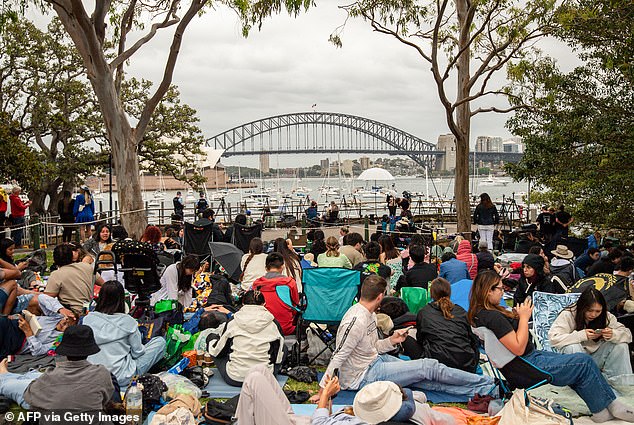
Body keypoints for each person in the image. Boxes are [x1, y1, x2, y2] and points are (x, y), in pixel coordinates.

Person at [469, 270, 634, 422]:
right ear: (488, 291)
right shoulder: (492, 317)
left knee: (576, 364)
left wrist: (517, 316)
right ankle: (611, 406)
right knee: (583, 362)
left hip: (522, 362)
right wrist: (524, 318)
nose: (503, 290)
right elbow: (518, 347)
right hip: (526, 365)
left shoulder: (481, 314)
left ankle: (602, 410)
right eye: (499, 288)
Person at [311, 275, 495, 402]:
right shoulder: (354, 321)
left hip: (374, 361)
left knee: (425, 380)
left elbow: (373, 346)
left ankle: (484, 390)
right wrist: (323, 391)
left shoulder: (370, 314)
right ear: (381, 296)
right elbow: (339, 355)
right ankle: (487, 385)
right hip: (362, 376)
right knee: (429, 366)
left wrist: (392, 340)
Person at [0, 325, 115, 413]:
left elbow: (30, 397)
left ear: (65, 352)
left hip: (48, 404)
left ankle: (4, 375)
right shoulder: (102, 373)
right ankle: (7, 375)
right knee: (31, 377)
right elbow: (105, 397)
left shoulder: (50, 377)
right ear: (89, 351)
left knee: (7, 384)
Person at [83, 280, 166, 387]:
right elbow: (138, 353)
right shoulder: (128, 322)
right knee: (160, 342)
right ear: (122, 299)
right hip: (122, 377)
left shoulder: (88, 319)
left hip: (94, 376)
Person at [549, 287, 632, 379]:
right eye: (589, 310)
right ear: (582, 307)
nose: (593, 315)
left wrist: (613, 334)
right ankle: (580, 382)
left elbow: (627, 335)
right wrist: (581, 335)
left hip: (598, 358)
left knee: (620, 345)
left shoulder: (606, 316)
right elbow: (554, 338)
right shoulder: (568, 314)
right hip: (575, 361)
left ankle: (621, 386)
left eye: (598, 311)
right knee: (572, 346)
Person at [208, 290, 285, 387]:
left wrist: (212, 340)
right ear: (264, 304)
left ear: (243, 303)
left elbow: (217, 351)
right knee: (284, 348)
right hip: (264, 378)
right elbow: (278, 356)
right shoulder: (273, 323)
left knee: (213, 341)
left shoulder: (233, 321)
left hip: (235, 377)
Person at [414, 278, 479, 373]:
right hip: (466, 363)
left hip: (438, 364)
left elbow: (420, 339)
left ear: (432, 294)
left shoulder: (424, 312)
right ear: (449, 292)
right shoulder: (461, 311)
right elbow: (473, 339)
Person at [0, 294, 75, 358]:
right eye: (66, 319)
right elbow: (41, 297)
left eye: (68, 326)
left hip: (18, 341)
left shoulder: (59, 341)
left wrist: (28, 332)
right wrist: (60, 309)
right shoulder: (56, 318)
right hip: (14, 325)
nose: (64, 323)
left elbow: (38, 351)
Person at [44, 243, 105, 316]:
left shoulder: (56, 274)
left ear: (54, 259)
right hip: (89, 309)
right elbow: (103, 283)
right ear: (72, 256)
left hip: (72, 313)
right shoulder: (86, 267)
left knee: (38, 299)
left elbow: (47, 298)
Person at [253, 252, 299, 335]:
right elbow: (295, 306)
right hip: (286, 328)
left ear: (266, 268)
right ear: (282, 267)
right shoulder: (290, 283)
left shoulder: (257, 284)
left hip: (262, 328)